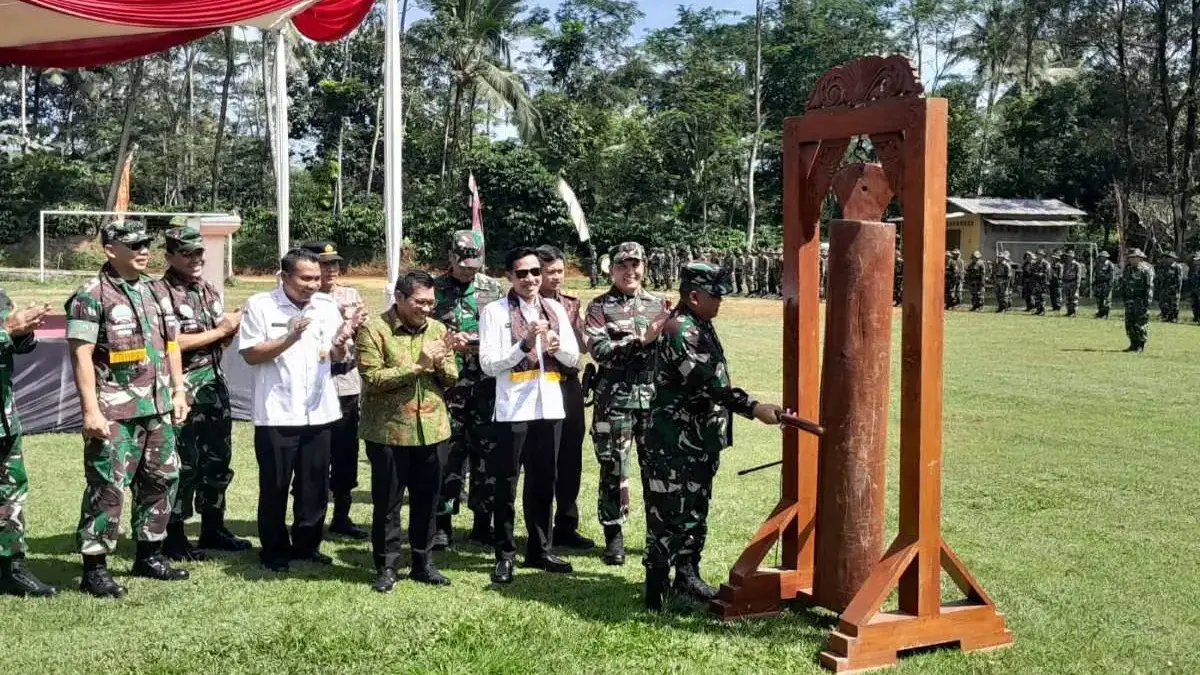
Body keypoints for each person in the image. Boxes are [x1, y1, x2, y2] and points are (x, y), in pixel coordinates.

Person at [642, 262, 784, 610]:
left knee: (694, 512)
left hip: (699, 441)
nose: (720, 301)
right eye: (714, 295)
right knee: (666, 517)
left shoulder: (700, 324)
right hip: (672, 443)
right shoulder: (681, 330)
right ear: (693, 296)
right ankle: (656, 593)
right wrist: (755, 408)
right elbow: (711, 385)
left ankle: (687, 578)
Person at [66, 220, 192, 598]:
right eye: (133, 244)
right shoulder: (92, 294)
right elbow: (81, 355)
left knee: (162, 478)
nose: (143, 250)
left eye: (146, 244)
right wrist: (91, 410)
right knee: (108, 486)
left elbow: (171, 345)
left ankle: (149, 554)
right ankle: (95, 567)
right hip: (113, 411)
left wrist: (179, 390)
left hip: (156, 406)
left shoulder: (155, 290)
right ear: (109, 250)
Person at [240, 248, 353, 572]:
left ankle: (307, 545)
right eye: (305, 278)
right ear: (285, 276)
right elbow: (250, 354)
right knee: (275, 485)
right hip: (277, 411)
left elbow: (332, 354)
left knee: (314, 485)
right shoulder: (261, 305)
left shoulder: (326, 306)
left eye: (316, 278)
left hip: (319, 411)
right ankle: (274, 549)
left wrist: (341, 345)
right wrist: (290, 336)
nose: (312, 284)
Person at [478, 246, 581, 584]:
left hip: (549, 404)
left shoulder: (554, 308)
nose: (531, 279)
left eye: (535, 272)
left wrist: (556, 348)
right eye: (522, 273)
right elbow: (489, 364)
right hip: (513, 407)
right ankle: (504, 553)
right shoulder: (495, 312)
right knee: (506, 482)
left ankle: (539, 548)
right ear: (509, 276)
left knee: (543, 480)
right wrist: (522, 345)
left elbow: (573, 358)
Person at [357, 271, 458, 593]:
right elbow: (373, 378)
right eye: (419, 302)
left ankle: (423, 563)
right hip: (389, 433)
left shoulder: (439, 329)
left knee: (428, 501)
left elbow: (452, 378)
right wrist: (419, 364)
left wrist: (441, 363)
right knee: (388, 503)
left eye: (431, 302)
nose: (426, 308)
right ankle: (386, 566)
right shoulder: (374, 330)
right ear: (399, 298)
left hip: (433, 431)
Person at [157, 227, 250, 561]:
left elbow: (216, 338)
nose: (195, 260)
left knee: (217, 459)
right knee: (183, 463)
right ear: (169, 257)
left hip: (213, 385)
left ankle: (213, 528)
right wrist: (221, 330)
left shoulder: (207, 290)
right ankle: (175, 534)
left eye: (199, 253)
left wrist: (229, 332)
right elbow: (170, 343)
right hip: (182, 388)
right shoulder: (160, 293)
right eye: (187, 254)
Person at [584, 242, 669, 566]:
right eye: (623, 266)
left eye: (636, 265)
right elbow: (599, 350)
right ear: (612, 269)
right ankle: (613, 534)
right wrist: (641, 340)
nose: (630, 272)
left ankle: (656, 538)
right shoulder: (599, 307)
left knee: (657, 469)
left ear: (644, 267)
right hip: (614, 399)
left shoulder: (659, 305)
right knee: (613, 467)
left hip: (653, 401)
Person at [433, 230, 503, 549]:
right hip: (446, 387)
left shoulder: (493, 289)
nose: (468, 269)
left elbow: (503, 331)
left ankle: (482, 522)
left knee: (486, 455)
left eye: (474, 264)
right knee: (447, 456)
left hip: (485, 386)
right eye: (463, 264)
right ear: (450, 257)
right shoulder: (434, 290)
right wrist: (447, 343)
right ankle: (442, 524)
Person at [301, 241, 370, 540]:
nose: (330, 270)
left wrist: (353, 322)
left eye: (334, 264)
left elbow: (362, 333)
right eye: (324, 264)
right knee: (313, 457)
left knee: (345, 453)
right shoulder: (303, 297)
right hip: (315, 385)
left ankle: (342, 515)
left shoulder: (350, 294)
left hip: (345, 385)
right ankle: (307, 519)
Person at [536, 245, 594, 550]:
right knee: (542, 458)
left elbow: (584, 346)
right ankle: (540, 529)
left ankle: (566, 525)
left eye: (560, 271)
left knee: (570, 456)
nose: (556, 277)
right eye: (550, 272)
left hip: (568, 384)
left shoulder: (571, 304)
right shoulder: (521, 304)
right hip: (537, 383)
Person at [0, 290, 55, 597]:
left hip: (4, 420)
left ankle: (11, 568)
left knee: (10, 495)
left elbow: (19, 347)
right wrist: (8, 330)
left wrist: (25, 330)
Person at [1119, 248, 1154, 352]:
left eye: (1134, 258)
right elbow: (1124, 284)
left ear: (1139, 258)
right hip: (1129, 301)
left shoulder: (1146, 270)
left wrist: (1147, 302)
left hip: (1141, 301)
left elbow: (1149, 287)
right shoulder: (1128, 269)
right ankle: (1133, 344)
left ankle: (1140, 345)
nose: (1131, 260)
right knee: (1129, 323)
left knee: (1140, 323)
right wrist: (1124, 298)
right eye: (1130, 258)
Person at [1157, 251, 1185, 323]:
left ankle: (1173, 318)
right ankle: (1165, 316)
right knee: (1163, 304)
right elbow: (1159, 278)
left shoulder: (1177, 267)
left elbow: (1179, 280)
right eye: (1165, 257)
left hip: (1173, 290)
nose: (1166, 259)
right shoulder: (1162, 266)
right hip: (1164, 289)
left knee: (1173, 305)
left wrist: (1176, 290)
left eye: (1168, 257)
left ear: (1173, 259)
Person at [1060, 250, 1086, 317]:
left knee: (1073, 298)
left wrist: (1077, 284)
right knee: (1067, 298)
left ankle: (1073, 312)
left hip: (1073, 282)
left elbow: (1078, 275)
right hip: (1066, 282)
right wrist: (1063, 282)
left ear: (1072, 257)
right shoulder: (1065, 264)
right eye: (1067, 256)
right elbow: (1063, 274)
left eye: (1069, 256)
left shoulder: (1077, 265)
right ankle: (1069, 311)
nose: (1068, 257)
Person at [1093, 251, 1117, 319]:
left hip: (1106, 284)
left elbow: (1112, 276)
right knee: (1099, 299)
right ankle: (1100, 312)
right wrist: (1094, 283)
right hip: (1098, 284)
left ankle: (1106, 314)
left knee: (1107, 300)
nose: (1102, 258)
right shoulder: (1097, 264)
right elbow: (1095, 274)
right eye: (1101, 257)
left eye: (1104, 257)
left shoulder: (1110, 264)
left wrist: (1110, 285)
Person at [1030, 250, 1051, 315]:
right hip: (1036, 282)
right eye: (1038, 254)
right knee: (1036, 296)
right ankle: (1038, 310)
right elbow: (1032, 271)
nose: (1038, 256)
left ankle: (1042, 310)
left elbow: (1047, 273)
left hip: (1043, 282)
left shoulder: (1046, 263)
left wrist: (1040, 274)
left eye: (1040, 254)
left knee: (1042, 296)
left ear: (1042, 255)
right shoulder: (1035, 263)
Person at [1189, 252, 1200, 324]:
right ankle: (1196, 318)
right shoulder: (1193, 266)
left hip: (1197, 288)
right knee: (1194, 304)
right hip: (1194, 288)